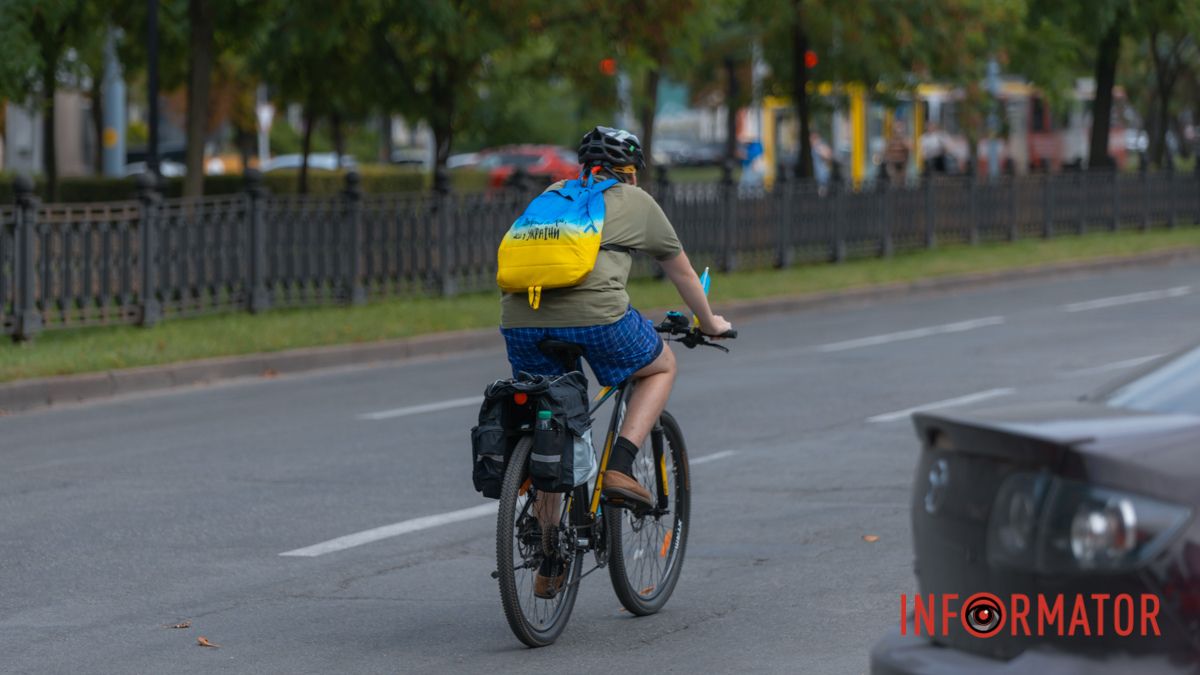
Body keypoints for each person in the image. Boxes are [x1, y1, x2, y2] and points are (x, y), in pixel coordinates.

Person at [499, 126, 732, 596]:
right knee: (660, 365)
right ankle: (621, 466)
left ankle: (549, 554)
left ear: (583, 166)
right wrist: (709, 322)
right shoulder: (635, 201)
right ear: (630, 171)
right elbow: (682, 271)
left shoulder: (554, 193)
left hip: (519, 318)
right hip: (597, 317)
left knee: (554, 422)